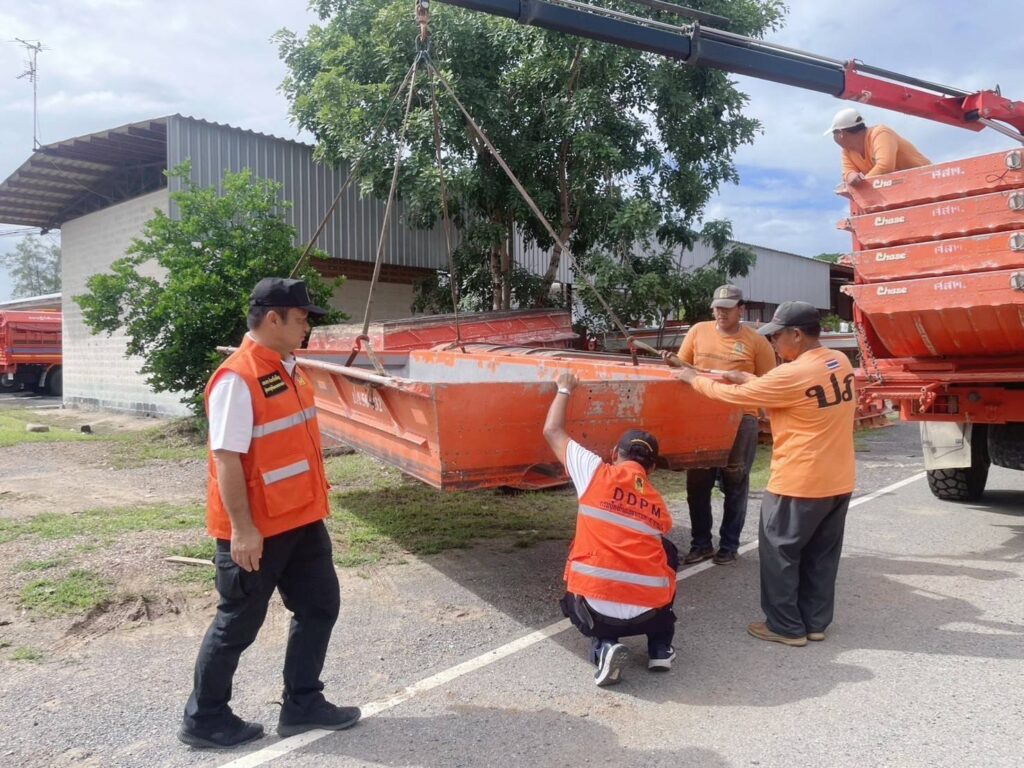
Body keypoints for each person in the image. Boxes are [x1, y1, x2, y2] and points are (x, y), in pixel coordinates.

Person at [179, 277, 360, 749]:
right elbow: (226, 459)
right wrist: (242, 530)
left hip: (301, 520)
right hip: (258, 528)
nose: (307, 327)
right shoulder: (237, 378)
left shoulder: (287, 367)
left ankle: (303, 703)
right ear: (273, 318)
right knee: (238, 622)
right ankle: (205, 718)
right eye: (301, 318)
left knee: (320, 606)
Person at [674, 302, 856, 647]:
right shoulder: (838, 362)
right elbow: (784, 391)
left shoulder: (791, 374)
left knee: (780, 553)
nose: (773, 344)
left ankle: (786, 626)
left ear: (797, 335)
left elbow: (736, 396)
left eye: (777, 337)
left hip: (799, 483)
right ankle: (815, 623)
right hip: (838, 480)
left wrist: (693, 378)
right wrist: (750, 378)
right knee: (821, 555)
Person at [543, 372, 678, 687]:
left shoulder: (594, 472)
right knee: (668, 552)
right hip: (651, 612)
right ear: (653, 468)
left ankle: (604, 647)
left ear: (615, 454)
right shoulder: (658, 504)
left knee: (584, 566)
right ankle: (660, 647)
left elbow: (552, 430)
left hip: (596, 610)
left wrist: (564, 387)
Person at [671, 284, 776, 566]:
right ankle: (701, 544)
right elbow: (682, 369)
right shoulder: (697, 332)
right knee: (698, 483)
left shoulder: (757, 342)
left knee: (735, 482)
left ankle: (729, 545)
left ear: (741, 309)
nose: (721, 313)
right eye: (718, 308)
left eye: (728, 308)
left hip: (741, 418)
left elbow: (769, 385)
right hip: (701, 418)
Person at [827, 107, 930, 186]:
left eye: (833, 134)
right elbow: (848, 173)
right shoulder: (847, 151)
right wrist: (851, 176)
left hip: (927, 181)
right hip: (902, 189)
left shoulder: (880, 133)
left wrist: (863, 183)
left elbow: (885, 166)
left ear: (841, 134)